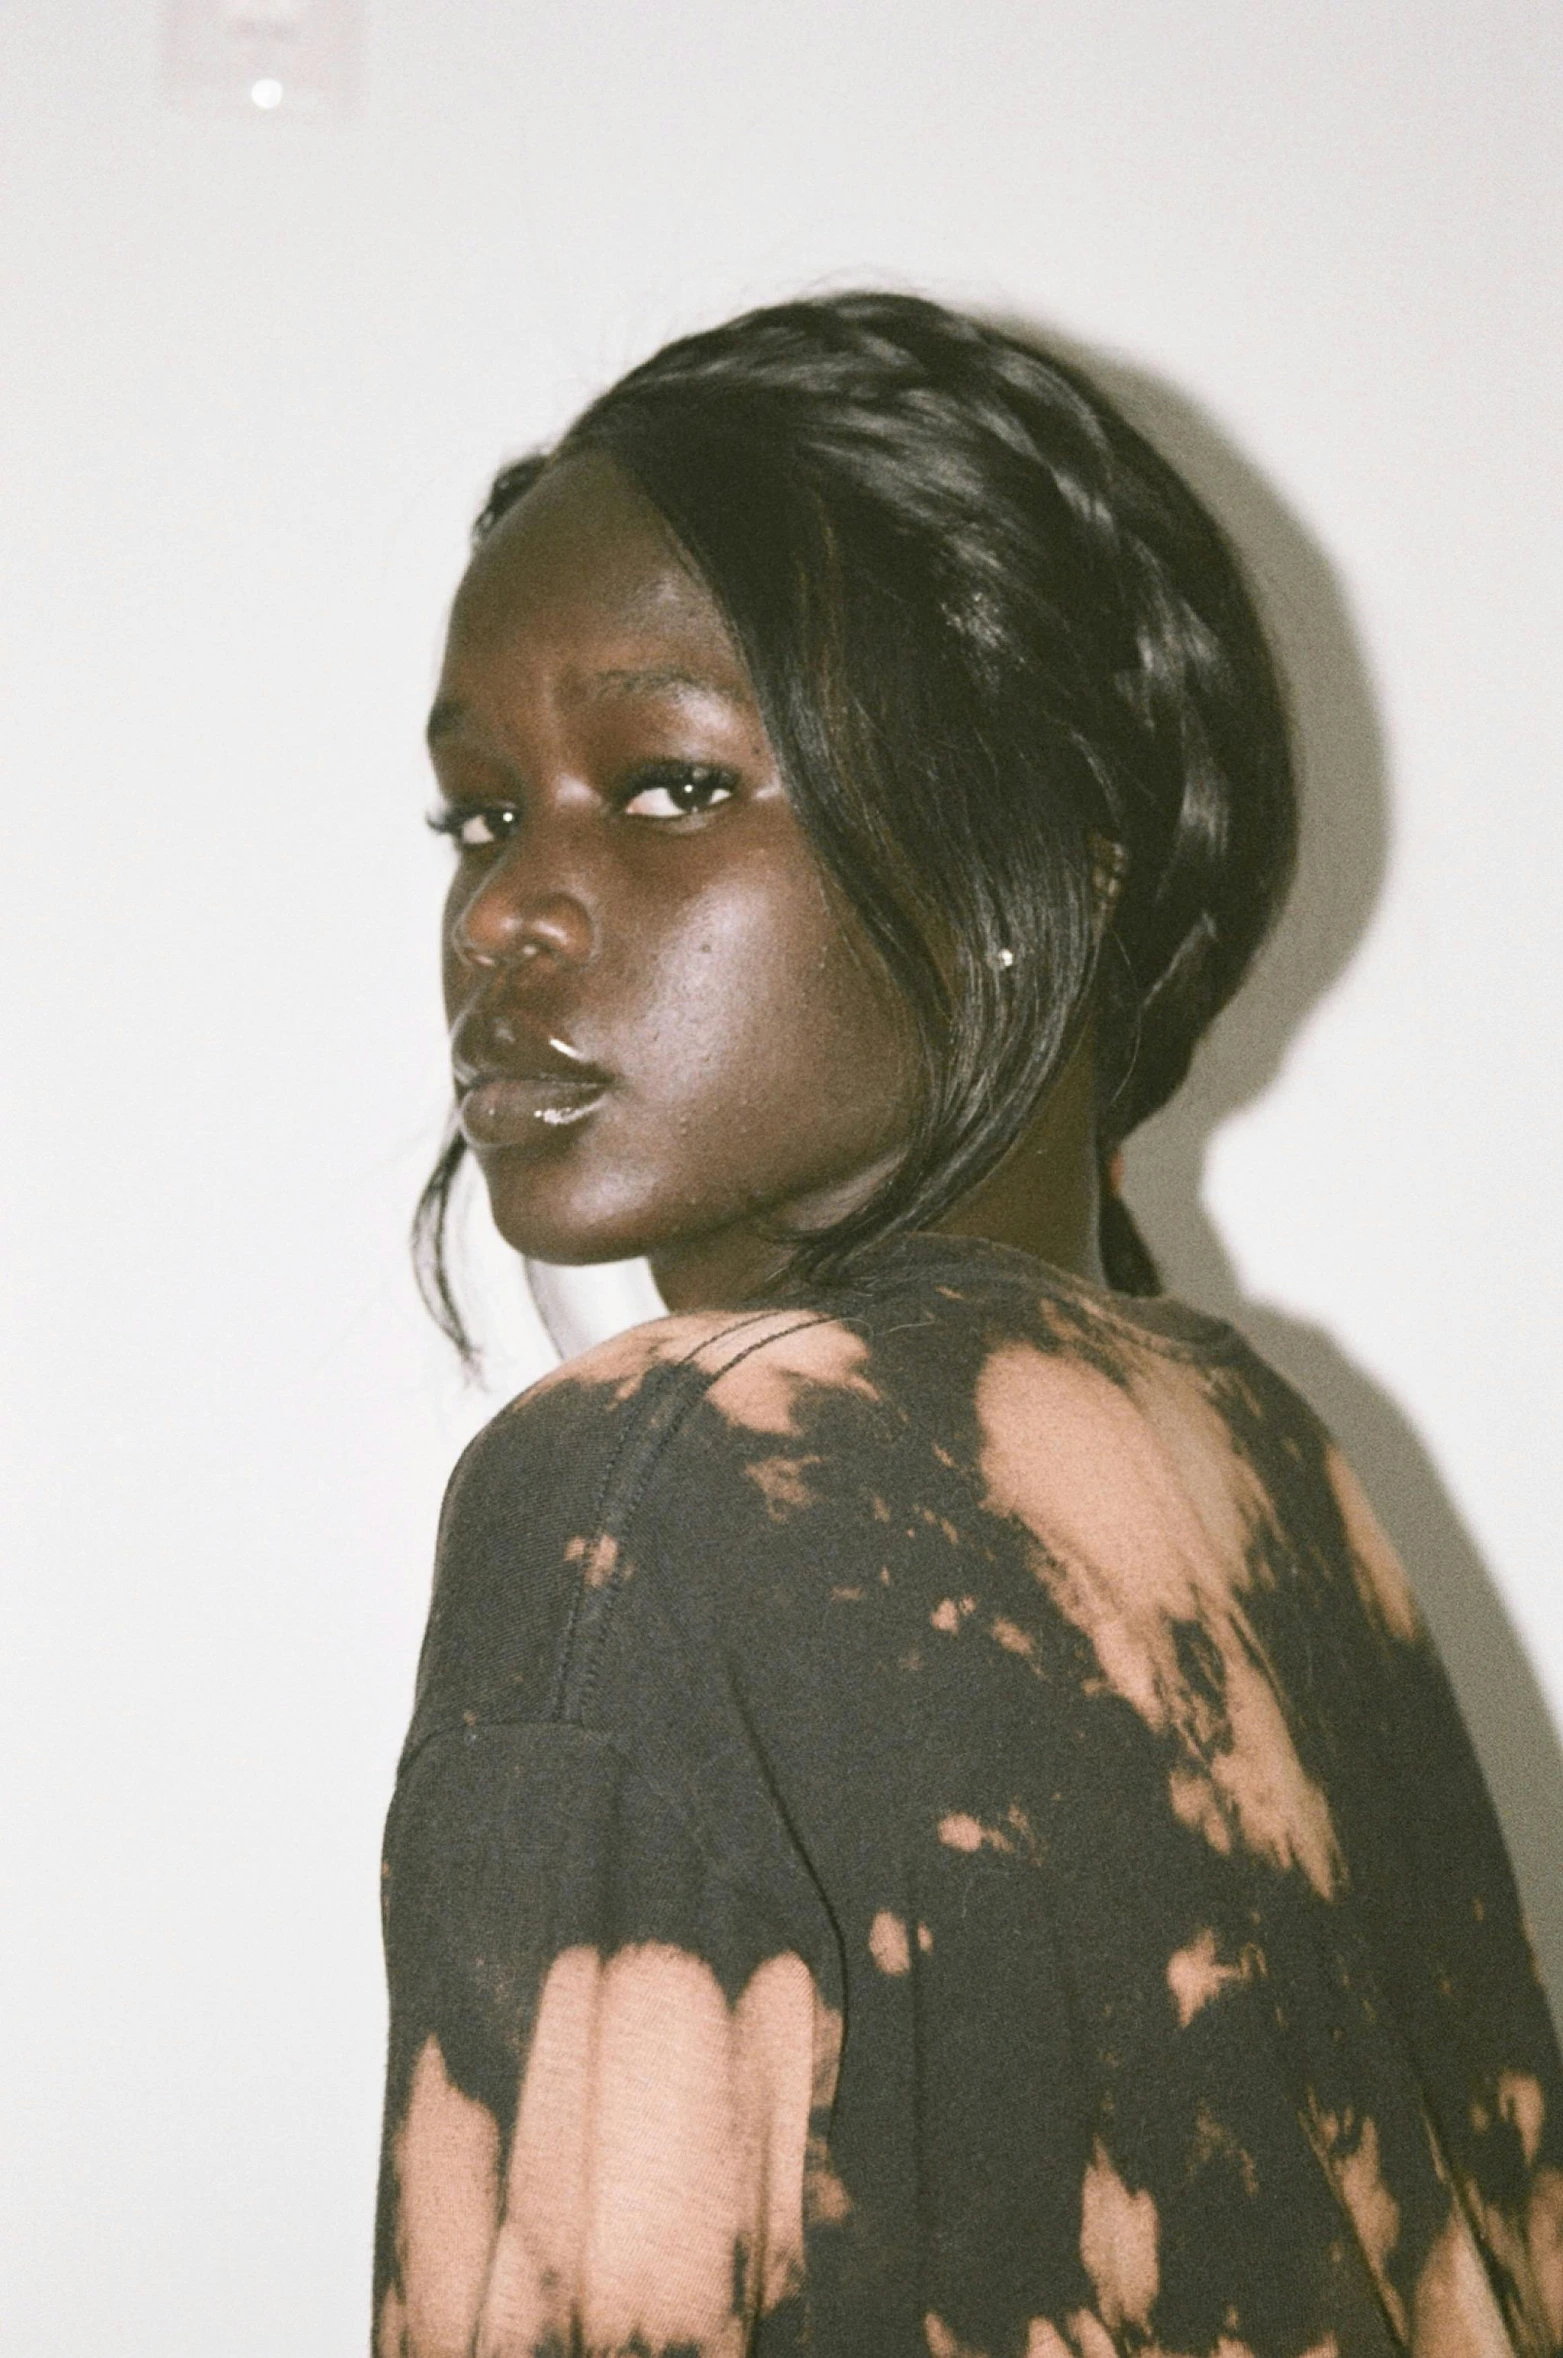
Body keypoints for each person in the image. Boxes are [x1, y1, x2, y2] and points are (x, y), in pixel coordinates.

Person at [375, 293, 1563, 2358]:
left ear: (1044, 854)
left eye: (662, 785)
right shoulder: (1266, 1462)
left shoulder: (665, 1478)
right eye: (481, 815)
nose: (503, 914)